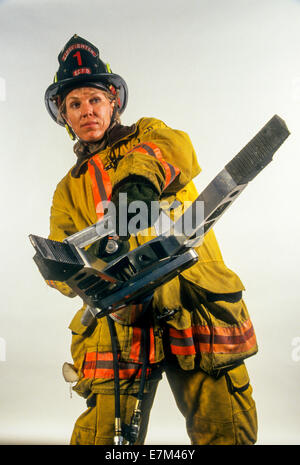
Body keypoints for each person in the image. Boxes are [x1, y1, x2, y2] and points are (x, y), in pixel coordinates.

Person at [44, 34, 258, 445]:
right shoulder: (66, 191)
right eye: (74, 104)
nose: (86, 110)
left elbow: (174, 150)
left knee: (225, 432)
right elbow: (62, 259)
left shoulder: (151, 133)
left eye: (95, 99)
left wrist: (139, 178)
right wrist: (69, 272)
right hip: (122, 323)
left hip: (194, 311)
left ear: (113, 103)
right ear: (64, 117)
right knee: (103, 439)